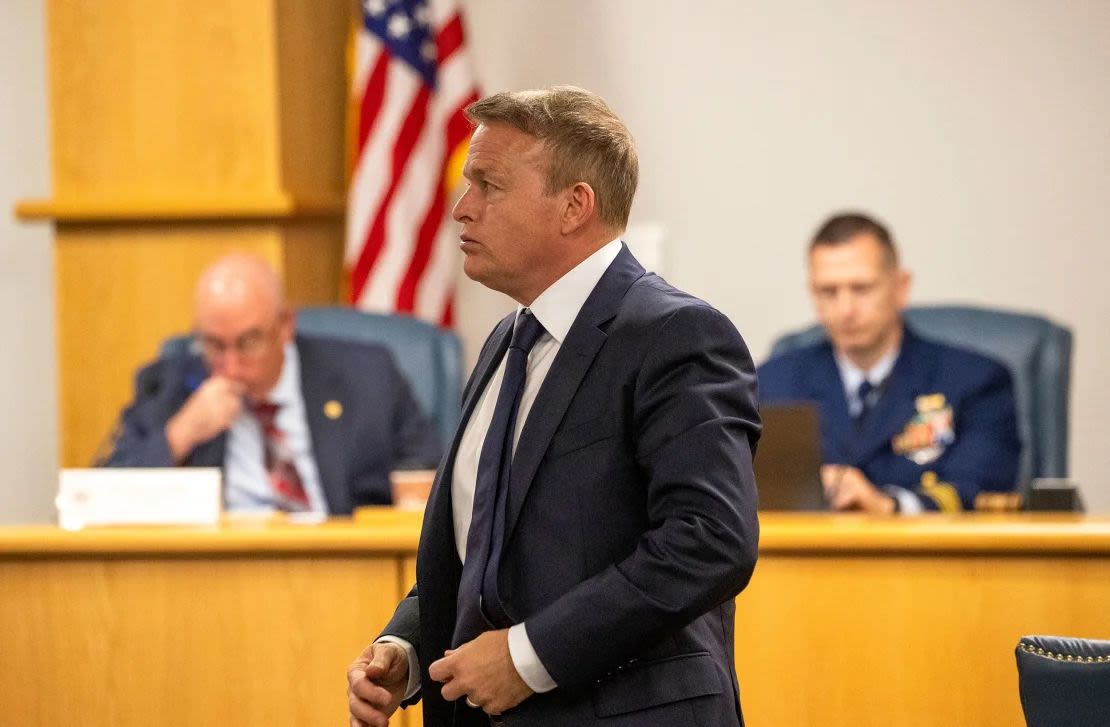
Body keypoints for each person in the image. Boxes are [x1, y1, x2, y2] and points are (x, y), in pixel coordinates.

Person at [346, 86, 760, 727]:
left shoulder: (674, 335)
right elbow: (481, 549)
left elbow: (710, 540)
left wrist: (527, 657)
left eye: (488, 185)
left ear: (574, 206)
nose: (461, 209)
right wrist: (407, 647)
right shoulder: (505, 342)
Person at [101, 253, 441, 514]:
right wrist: (179, 435)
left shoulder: (367, 376)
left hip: (344, 570)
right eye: (214, 345)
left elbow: (430, 476)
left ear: (285, 325)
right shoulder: (171, 385)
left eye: (248, 342)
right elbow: (100, 496)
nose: (230, 365)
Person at [758, 212, 1020, 514]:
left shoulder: (974, 381)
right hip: (809, 557)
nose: (845, 309)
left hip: (926, 556)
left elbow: (983, 487)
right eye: (828, 292)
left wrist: (890, 505)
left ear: (900, 287)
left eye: (862, 289)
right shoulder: (772, 384)